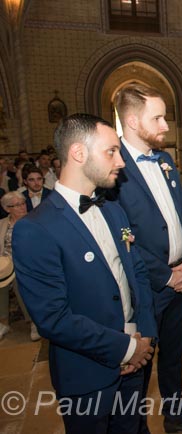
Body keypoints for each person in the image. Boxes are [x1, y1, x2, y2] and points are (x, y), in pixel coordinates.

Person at [13, 113, 157, 433]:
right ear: (78, 153)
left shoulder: (113, 210)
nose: (121, 162)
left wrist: (145, 334)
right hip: (87, 374)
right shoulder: (35, 228)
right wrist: (126, 348)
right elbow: (53, 318)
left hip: (136, 361)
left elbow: (137, 274)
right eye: (111, 152)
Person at [113, 84, 182, 434]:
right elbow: (121, 237)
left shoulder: (166, 161)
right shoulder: (114, 167)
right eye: (157, 118)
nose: (166, 125)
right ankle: (137, 427)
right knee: (138, 365)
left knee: (173, 355)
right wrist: (165, 275)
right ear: (131, 121)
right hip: (147, 287)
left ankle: (175, 417)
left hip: (180, 281)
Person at [0, 192, 39, 341]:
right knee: (1, 281)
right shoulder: (2, 224)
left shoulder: (34, 220)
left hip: (27, 264)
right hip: (5, 264)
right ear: (7, 208)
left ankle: (33, 322)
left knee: (18, 281)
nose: (22, 207)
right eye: (17, 205)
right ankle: (3, 322)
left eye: (23, 203)